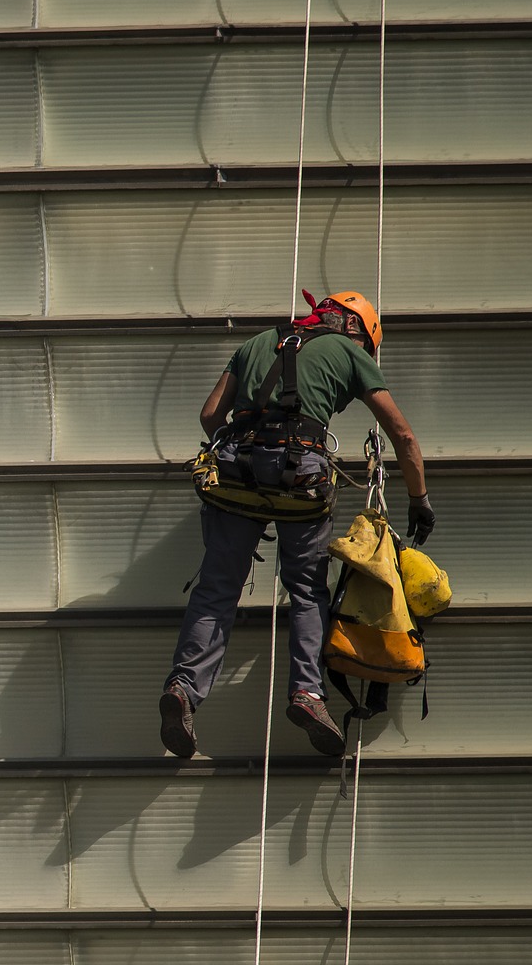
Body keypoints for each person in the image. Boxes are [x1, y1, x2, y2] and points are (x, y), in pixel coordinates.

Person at [160, 289, 432, 758]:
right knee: (307, 589)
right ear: (354, 327)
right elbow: (401, 434)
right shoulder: (349, 350)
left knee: (217, 589)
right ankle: (306, 694)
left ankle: (183, 690)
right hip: (300, 479)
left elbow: (210, 415)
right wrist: (419, 499)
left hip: (235, 474)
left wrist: (249, 459)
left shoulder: (258, 341)